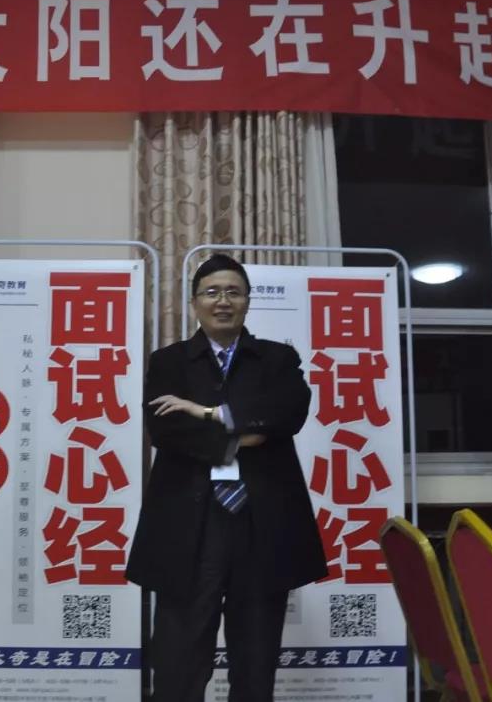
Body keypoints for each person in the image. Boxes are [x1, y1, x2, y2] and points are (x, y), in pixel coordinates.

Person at [126, 254, 327, 701]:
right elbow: (166, 431)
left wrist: (208, 413)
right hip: (188, 525)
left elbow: (287, 414)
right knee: (178, 658)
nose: (223, 301)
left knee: (256, 658)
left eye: (233, 292)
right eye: (212, 292)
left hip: (261, 523)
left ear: (248, 302)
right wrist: (245, 436)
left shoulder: (277, 358)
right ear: (194, 303)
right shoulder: (169, 362)